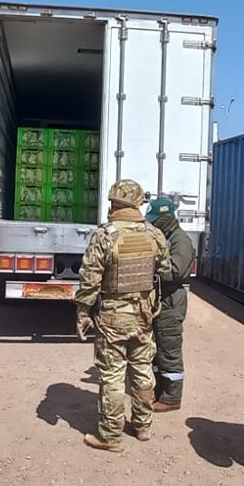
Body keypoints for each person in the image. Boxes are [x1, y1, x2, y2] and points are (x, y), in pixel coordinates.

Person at [74, 179, 171, 452]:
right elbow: (166, 269)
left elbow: (90, 279)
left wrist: (82, 312)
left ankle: (110, 435)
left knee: (113, 376)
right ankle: (143, 427)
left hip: (113, 317)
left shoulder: (105, 235)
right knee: (142, 370)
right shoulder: (154, 234)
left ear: (113, 203)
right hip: (144, 315)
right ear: (139, 203)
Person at [144, 197, 195, 412]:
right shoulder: (166, 237)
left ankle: (172, 398)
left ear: (166, 219)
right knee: (158, 349)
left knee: (169, 348)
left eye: (155, 221)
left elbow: (175, 270)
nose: (153, 225)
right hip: (161, 299)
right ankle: (160, 392)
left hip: (171, 300)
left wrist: (150, 264)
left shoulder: (180, 241)